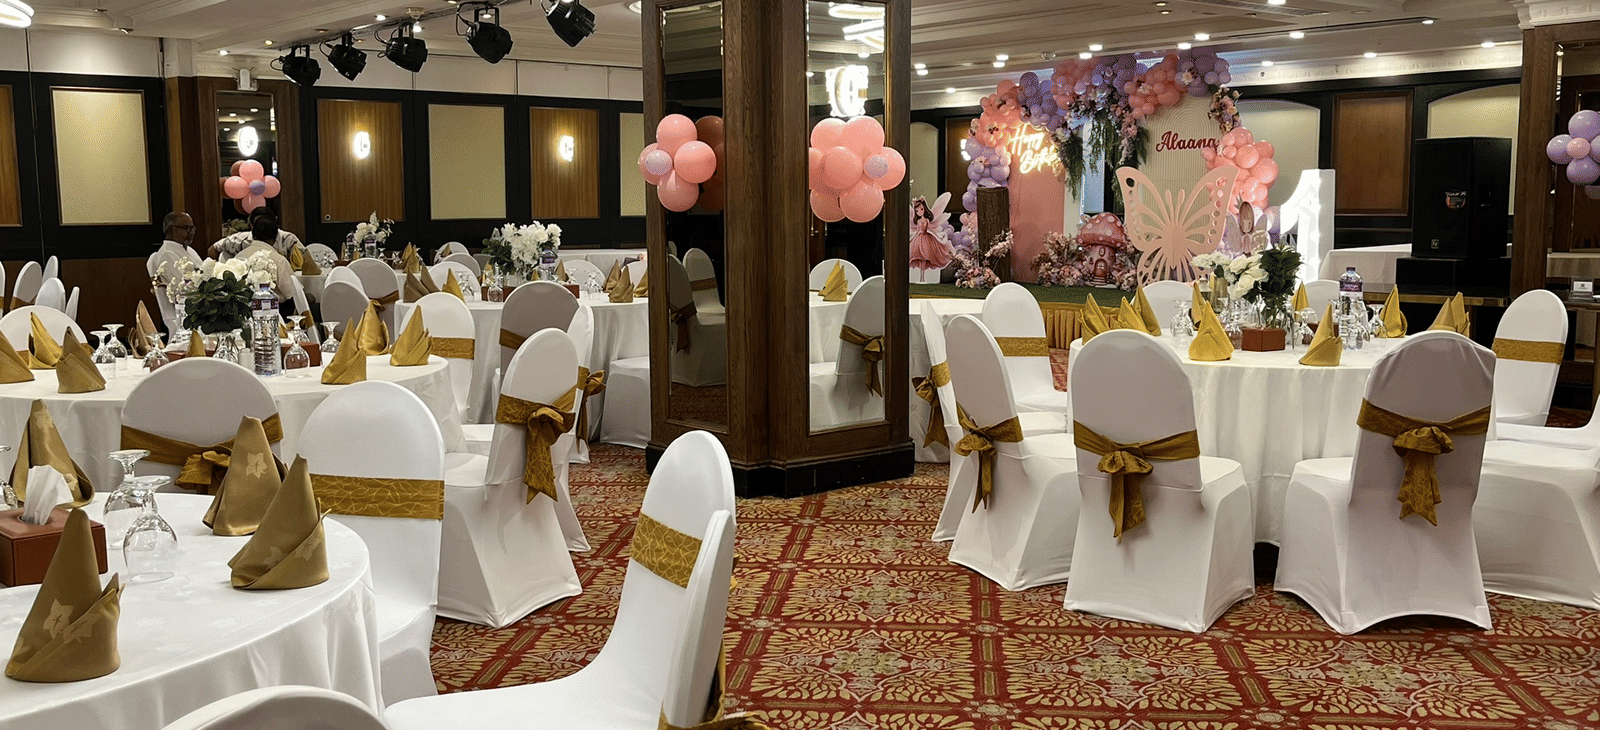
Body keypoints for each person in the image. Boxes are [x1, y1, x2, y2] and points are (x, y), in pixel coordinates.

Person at [232, 216, 311, 316]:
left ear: (253, 235)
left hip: (241, 313)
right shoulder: (278, 260)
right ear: (276, 238)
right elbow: (293, 293)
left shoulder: (238, 257)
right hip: (274, 314)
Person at [209, 210, 302, 260]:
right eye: (259, 225)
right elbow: (213, 249)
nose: (263, 228)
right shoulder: (238, 240)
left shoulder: (288, 240)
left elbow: (305, 261)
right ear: (251, 226)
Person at [148, 211, 204, 284]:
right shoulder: (166, 254)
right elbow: (186, 286)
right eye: (187, 228)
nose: (192, 232)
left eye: (192, 228)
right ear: (172, 230)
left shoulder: (190, 250)